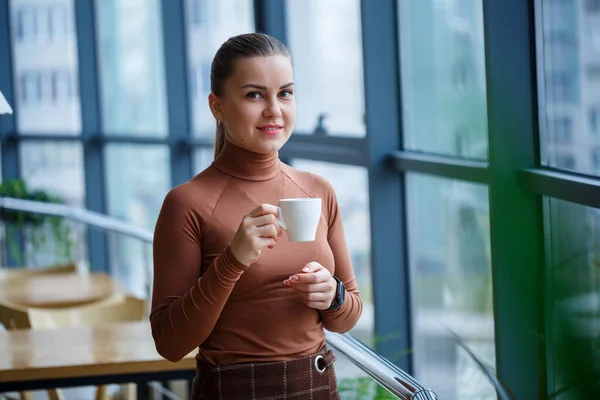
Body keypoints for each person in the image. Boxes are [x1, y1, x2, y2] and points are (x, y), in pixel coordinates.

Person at [150, 32, 362, 399]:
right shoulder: (187, 203)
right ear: (217, 106)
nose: (274, 110)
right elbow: (169, 344)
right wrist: (232, 261)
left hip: (316, 387)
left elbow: (347, 317)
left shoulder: (319, 190)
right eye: (254, 95)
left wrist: (334, 295)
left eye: (285, 93)